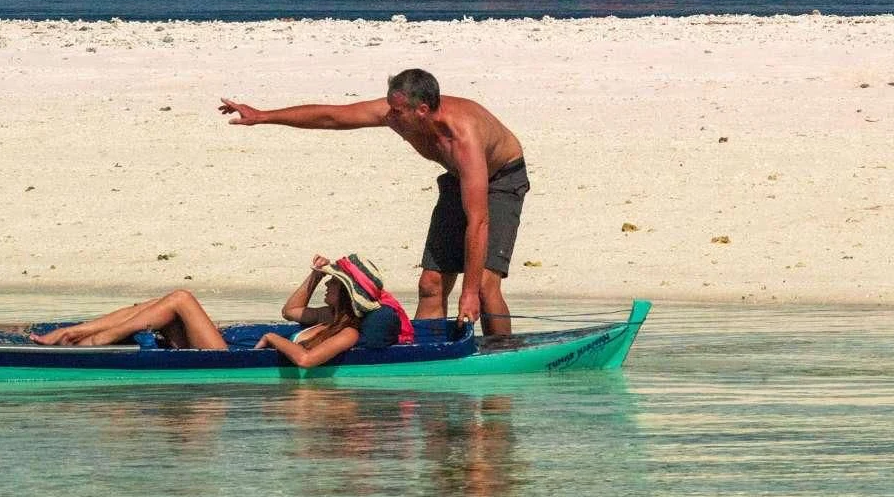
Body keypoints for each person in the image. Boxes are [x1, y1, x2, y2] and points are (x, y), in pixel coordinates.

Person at [218, 69, 527, 336]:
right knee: (430, 283)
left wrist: (468, 293)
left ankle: (501, 351)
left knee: (485, 287)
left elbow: (479, 221)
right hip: (459, 177)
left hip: (500, 180)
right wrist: (263, 116)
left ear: (422, 110)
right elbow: (332, 117)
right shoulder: (398, 113)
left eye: (397, 111)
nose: (389, 116)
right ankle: (421, 356)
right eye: (390, 107)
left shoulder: (463, 136)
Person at [30, 255, 413, 368]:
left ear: (344, 294)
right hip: (233, 348)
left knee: (181, 298)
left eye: (332, 283)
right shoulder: (329, 319)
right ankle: (78, 333)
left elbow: (306, 362)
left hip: (230, 358)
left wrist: (273, 339)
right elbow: (291, 309)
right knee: (150, 307)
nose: (328, 286)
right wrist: (312, 277)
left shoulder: (345, 333)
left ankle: (95, 341)